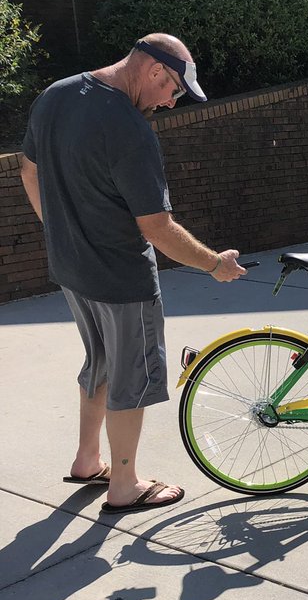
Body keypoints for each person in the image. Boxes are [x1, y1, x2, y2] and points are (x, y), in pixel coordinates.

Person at [19, 32, 245, 515]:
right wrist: (214, 265)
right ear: (154, 70)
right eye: (174, 91)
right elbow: (158, 228)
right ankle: (124, 485)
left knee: (98, 361)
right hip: (122, 279)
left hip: (71, 268)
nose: (170, 103)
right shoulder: (129, 129)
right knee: (132, 378)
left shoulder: (57, 94)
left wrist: (63, 230)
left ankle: (87, 460)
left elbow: (28, 170)